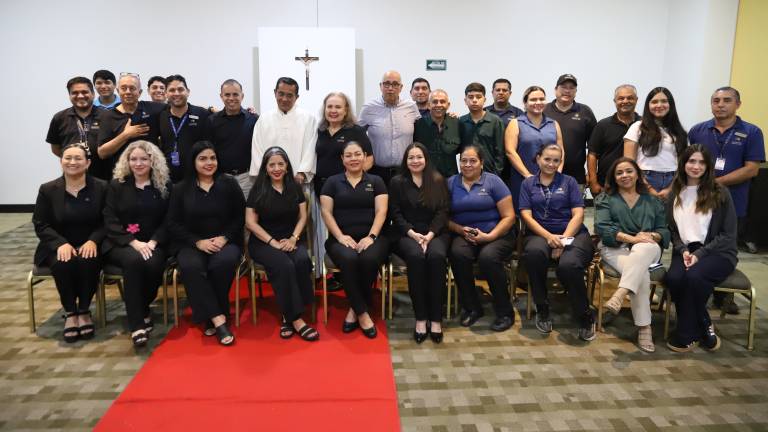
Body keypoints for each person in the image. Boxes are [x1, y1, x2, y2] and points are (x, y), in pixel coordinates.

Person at [167, 141, 245, 346]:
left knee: (223, 263)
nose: (209, 163)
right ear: (193, 162)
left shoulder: (229, 184)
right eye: (203, 159)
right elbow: (172, 223)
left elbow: (239, 217)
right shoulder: (180, 189)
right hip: (191, 243)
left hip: (225, 241)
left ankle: (210, 316)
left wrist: (225, 237)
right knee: (191, 266)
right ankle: (219, 318)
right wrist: (197, 242)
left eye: (212, 158)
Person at [665, 145, 738, 352]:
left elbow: (728, 234)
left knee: (694, 278)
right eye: (691, 161)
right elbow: (672, 230)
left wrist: (700, 254)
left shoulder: (720, 192)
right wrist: (683, 250)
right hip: (686, 250)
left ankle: (686, 334)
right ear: (683, 164)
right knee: (674, 278)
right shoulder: (675, 192)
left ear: (708, 166)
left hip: (718, 252)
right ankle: (705, 323)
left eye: (701, 162)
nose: (696, 166)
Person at [519, 144, 595, 341]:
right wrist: (548, 237)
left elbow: (578, 213)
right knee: (534, 254)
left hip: (574, 233)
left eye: (556, 160)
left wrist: (563, 241)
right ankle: (542, 307)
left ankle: (584, 314)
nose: (551, 164)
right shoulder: (528, 184)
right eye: (547, 159)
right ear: (538, 159)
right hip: (539, 233)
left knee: (569, 265)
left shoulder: (569, 182)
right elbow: (526, 216)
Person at [32, 143, 107, 343]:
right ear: (61, 161)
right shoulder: (48, 189)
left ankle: (84, 310)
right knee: (63, 263)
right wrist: (59, 244)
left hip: (90, 243)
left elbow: (107, 220)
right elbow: (40, 223)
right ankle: (71, 313)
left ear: (88, 163)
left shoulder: (102, 187)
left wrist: (93, 240)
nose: (72, 162)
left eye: (78, 158)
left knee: (88, 261)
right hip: (57, 245)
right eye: (68, 158)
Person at [594, 157, 670, 352]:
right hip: (615, 248)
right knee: (641, 275)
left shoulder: (652, 200)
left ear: (638, 174)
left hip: (648, 249)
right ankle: (645, 327)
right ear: (614, 177)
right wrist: (632, 238)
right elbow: (602, 228)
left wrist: (651, 235)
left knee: (644, 247)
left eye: (629, 171)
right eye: (619, 173)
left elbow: (664, 230)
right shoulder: (605, 198)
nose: (624, 176)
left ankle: (620, 293)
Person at [102, 140, 171, 347]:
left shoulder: (164, 186)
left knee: (152, 264)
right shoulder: (117, 185)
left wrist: (153, 241)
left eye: (143, 158)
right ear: (127, 161)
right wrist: (133, 243)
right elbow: (109, 218)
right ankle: (137, 323)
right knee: (134, 262)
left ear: (153, 160)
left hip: (155, 243)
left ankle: (142, 306)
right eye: (133, 159)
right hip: (122, 243)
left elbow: (170, 219)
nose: (138, 163)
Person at [246, 147, 318, 341]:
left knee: (302, 260)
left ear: (287, 166)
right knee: (284, 264)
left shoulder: (294, 187)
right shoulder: (258, 189)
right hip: (263, 242)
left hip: (290, 238)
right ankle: (295, 319)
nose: (276, 168)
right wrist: (272, 242)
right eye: (272, 165)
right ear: (265, 168)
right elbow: (250, 223)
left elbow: (303, 216)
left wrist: (294, 238)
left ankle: (291, 310)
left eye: (281, 163)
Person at [320, 141, 389, 338]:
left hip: (374, 237)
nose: (353, 159)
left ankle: (354, 309)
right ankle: (362, 312)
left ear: (365, 156)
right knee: (349, 259)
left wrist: (371, 236)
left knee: (368, 259)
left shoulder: (376, 181)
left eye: (357, 154)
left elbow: (381, 211)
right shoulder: (332, 182)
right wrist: (340, 236)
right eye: (348, 155)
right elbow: (326, 212)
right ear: (342, 159)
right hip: (340, 238)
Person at [689, 86, 764, 258]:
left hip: (733, 200)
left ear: (738, 104)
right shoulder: (697, 131)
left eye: (727, 100)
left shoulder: (752, 132)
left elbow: (752, 169)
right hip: (699, 200)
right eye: (716, 101)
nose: (720, 105)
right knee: (695, 247)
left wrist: (716, 183)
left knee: (723, 250)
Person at [448, 145, 516, 331]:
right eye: (463, 160)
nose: (468, 165)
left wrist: (489, 236)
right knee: (457, 254)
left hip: (497, 234)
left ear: (481, 163)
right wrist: (461, 230)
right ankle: (472, 308)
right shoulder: (451, 183)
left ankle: (504, 312)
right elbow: (443, 218)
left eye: (473, 161)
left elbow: (509, 216)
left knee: (488, 258)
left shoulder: (493, 182)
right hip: (464, 234)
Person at [389, 143, 450, 343]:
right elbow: (395, 213)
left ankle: (436, 318)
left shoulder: (438, 180)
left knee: (437, 257)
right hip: (406, 234)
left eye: (419, 157)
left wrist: (430, 235)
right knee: (415, 257)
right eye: (411, 158)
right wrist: (413, 234)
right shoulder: (397, 182)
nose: (415, 161)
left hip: (435, 233)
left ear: (426, 159)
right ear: (405, 161)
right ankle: (421, 318)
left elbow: (443, 212)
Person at [249, 77, 316, 186]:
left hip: (298, 181)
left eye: (289, 95)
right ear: (275, 93)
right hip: (269, 182)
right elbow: (257, 149)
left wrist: (302, 173)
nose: (284, 99)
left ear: (297, 97)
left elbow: (311, 149)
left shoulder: (308, 119)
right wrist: (262, 175)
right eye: (281, 94)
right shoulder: (264, 119)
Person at [623, 87, 688, 200]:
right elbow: (629, 163)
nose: (659, 105)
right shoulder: (637, 127)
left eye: (664, 101)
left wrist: (671, 188)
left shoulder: (678, 131)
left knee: (667, 217)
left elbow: (682, 164)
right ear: (648, 105)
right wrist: (648, 187)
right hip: (644, 179)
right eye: (654, 102)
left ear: (670, 104)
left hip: (672, 182)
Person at [505, 85, 564, 208]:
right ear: (525, 103)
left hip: (551, 180)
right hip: (523, 180)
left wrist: (557, 174)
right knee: (525, 214)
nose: (538, 102)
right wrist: (527, 175)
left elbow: (561, 151)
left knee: (550, 213)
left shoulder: (553, 124)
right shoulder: (516, 123)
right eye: (533, 100)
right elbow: (510, 151)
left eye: (541, 99)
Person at [359, 70, 421, 185]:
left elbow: (421, 132)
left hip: (405, 172)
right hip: (377, 172)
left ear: (401, 87)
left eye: (395, 84)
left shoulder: (411, 107)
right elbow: (357, 137)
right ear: (380, 86)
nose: (390, 88)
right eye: (386, 84)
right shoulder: (368, 108)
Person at [98, 73, 164, 180]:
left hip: (152, 175)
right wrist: (126, 135)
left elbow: (176, 107)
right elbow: (102, 153)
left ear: (140, 92)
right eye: (124, 88)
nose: (128, 92)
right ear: (118, 91)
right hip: (122, 176)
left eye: (132, 88)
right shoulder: (108, 116)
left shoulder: (154, 109)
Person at [45, 77, 106, 177]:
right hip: (72, 176)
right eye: (75, 93)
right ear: (69, 95)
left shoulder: (107, 116)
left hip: (103, 176)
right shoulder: (59, 118)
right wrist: (74, 160)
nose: (80, 96)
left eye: (84, 92)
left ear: (93, 94)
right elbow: (55, 147)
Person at [208, 79, 259, 197]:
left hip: (247, 178)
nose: (231, 98)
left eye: (235, 94)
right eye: (227, 94)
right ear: (221, 96)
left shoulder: (254, 119)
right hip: (222, 177)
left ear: (242, 96)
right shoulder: (212, 121)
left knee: (247, 213)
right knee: (224, 213)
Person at [543, 74, 596, 186]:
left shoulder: (585, 111)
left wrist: (591, 175)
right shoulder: (544, 111)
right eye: (564, 87)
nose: (567, 91)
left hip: (576, 178)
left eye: (571, 88)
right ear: (555, 89)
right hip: (544, 176)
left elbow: (593, 148)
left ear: (575, 91)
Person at [587, 84, 640, 196]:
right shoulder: (603, 125)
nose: (625, 101)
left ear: (636, 100)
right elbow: (592, 155)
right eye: (621, 98)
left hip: (636, 186)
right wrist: (593, 182)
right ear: (615, 101)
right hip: (606, 186)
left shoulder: (644, 125)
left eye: (630, 98)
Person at [158, 74, 211, 182]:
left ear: (188, 91)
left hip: (196, 177)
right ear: (166, 94)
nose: (176, 93)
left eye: (180, 89)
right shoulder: (160, 116)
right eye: (172, 90)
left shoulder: (202, 114)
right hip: (168, 178)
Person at [458, 82, 505, 176]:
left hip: (490, 173)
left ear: (484, 100)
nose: (474, 100)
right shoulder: (461, 121)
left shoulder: (495, 121)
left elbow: (500, 152)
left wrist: (496, 174)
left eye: (478, 97)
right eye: (470, 97)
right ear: (465, 100)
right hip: (467, 172)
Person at [413, 89, 461, 178]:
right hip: (426, 179)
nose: (439, 105)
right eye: (435, 102)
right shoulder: (418, 125)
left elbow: (462, 149)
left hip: (451, 179)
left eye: (442, 102)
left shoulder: (457, 123)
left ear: (448, 105)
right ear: (428, 105)